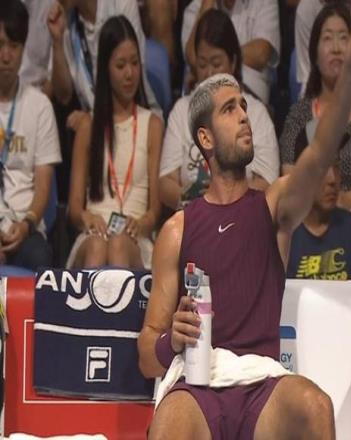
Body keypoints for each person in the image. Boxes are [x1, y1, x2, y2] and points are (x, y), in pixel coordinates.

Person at [138, 22, 351, 440]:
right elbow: (146, 357)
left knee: (315, 406)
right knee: (168, 423)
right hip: (197, 385)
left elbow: (319, 153)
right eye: (229, 109)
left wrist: (347, 84)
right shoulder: (177, 230)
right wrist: (170, 339)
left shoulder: (274, 204)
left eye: (244, 106)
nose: (244, 116)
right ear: (205, 137)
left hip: (262, 384)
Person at [281, 3, 351, 274]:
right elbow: (290, 183)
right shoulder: (297, 115)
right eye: (327, 38)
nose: (337, 48)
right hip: (305, 227)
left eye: (344, 38)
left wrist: (343, 201)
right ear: (314, 53)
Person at [66, 15, 163, 269]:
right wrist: (86, 218)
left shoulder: (152, 125)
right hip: (95, 232)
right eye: (120, 65)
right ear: (105, 68)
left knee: (119, 244)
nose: (129, 73)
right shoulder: (88, 125)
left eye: (134, 63)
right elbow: (74, 207)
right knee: (98, 246)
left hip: (135, 237)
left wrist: (142, 223)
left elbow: (155, 208)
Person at [159, 8, 279, 211]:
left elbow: (267, 184)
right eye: (202, 64)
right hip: (194, 216)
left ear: (233, 62)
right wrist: (194, 201)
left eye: (216, 63)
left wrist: (223, 198)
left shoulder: (256, 113)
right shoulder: (181, 111)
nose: (209, 73)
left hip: (242, 217)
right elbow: (165, 183)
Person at [0, 0, 61, 270]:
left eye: (13, 46)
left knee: (40, 258)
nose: (6, 56)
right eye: (0, 45)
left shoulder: (40, 106)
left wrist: (26, 224)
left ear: (23, 49)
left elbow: (43, 185)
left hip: (25, 227)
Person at [287, 160, 351, 341]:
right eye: (323, 169)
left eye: (336, 168)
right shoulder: (285, 233)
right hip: (298, 343)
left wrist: (348, 352)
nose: (333, 180)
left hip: (347, 341)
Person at [46, 0, 159, 125]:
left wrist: (92, 119)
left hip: (136, 116)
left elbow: (129, 84)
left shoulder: (122, 4)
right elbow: (63, 96)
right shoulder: (66, 20)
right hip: (96, 124)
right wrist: (57, 41)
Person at [181, 0, 280, 104]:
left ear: (233, 62)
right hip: (205, 100)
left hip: (249, 100)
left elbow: (261, 53)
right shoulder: (195, 8)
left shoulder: (264, 2)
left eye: (216, 63)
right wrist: (207, 5)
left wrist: (222, 57)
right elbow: (193, 57)